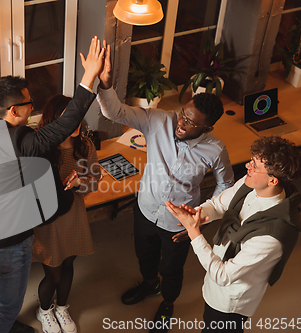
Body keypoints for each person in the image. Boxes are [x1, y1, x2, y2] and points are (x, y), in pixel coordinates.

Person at [0, 37, 105, 333]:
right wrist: (89, 77)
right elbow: (67, 122)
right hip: (7, 240)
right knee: (9, 306)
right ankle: (3, 324)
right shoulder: (24, 140)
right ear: (14, 111)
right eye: (29, 104)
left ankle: (2, 320)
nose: (32, 107)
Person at [96, 42, 234, 332]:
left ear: (206, 128)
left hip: (178, 224)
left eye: (190, 123)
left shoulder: (215, 149)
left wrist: (199, 221)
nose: (180, 123)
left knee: (172, 269)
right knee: (144, 254)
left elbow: (226, 186)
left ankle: (167, 303)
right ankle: (148, 284)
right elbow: (114, 113)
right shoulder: (159, 120)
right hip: (145, 209)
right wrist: (105, 85)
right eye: (183, 114)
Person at [166, 136, 301, 333]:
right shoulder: (252, 183)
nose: (248, 166)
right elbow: (219, 204)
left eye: (255, 165)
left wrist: (194, 233)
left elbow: (223, 276)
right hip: (215, 281)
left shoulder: (271, 237)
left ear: (273, 180)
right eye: (252, 159)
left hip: (230, 301)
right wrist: (198, 214)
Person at [32, 95, 100, 333]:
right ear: (54, 121)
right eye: (69, 119)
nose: (77, 123)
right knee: (53, 273)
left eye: (77, 117)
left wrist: (79, 182)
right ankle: (44, 310)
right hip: (49, 221)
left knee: (69, 263)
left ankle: (61, 307)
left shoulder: (85, 145)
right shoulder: (42, 149)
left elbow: (95, 181)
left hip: (74, 216)